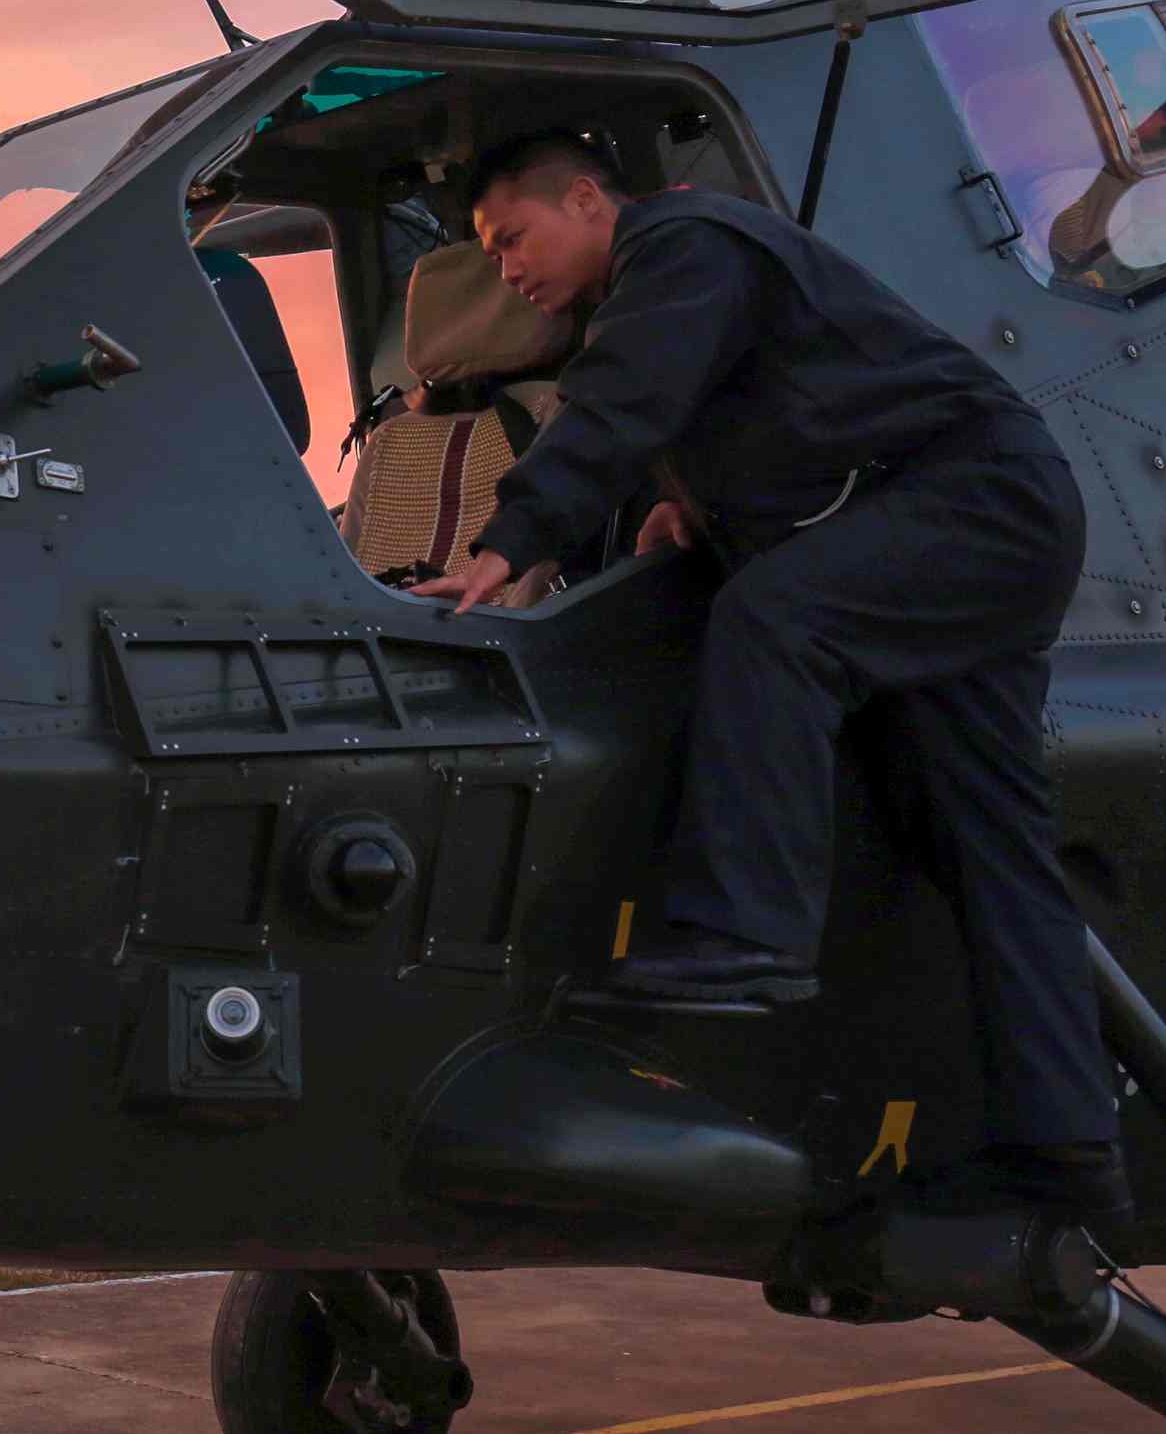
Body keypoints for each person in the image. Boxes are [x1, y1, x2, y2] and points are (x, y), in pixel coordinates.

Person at [411, 131, 1125, 1237]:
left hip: (976, 505)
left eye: (513, 237)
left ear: (591, 199)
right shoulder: (681, 278)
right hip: (983, 516)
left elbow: (627, 396)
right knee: (985, 844)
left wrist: (515, 539)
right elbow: (783, 406)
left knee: (775, 617)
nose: (506, 269)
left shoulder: (683, 244)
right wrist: (703, 500)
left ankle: (746, 931)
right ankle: (1067, 1159)